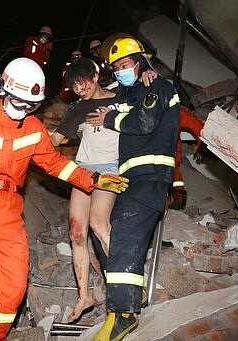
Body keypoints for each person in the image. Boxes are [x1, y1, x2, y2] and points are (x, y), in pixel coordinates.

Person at [0, 57, 129, 341]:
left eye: (31, 106)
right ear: (2, 90)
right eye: (19, 103)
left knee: (14, 282)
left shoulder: (32, 128)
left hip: (8, 208)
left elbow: (56, 163)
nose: (24, 112)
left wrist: (92, 180)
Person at [87, 36, 180, 340]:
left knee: (124, 234)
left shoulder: (157, 86)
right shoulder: (136, 89)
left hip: (150, 176)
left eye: (125, 65)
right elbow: (119, 99)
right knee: (104, 232)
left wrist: (111, 118)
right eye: (116, 68)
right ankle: (132, 292)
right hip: (132, 178)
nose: (120, 71)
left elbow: (144, 121)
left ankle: (123, 315)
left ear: (141, 61)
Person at [50, 57, 121, 323]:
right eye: (74, 86)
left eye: (83, 82)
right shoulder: (77, 109)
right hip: (83, 171)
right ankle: (85, 296)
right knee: (76, 232)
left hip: (110, 169)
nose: (80, 89)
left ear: (94, 75)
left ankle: (126, 285)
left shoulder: (121, 98)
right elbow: (55, 140)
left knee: (98, 223)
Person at [169, 106, 205, 210]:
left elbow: (199, 128)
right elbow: (198, 127)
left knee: (173, 177)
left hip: (168, 155)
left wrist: (201, 147)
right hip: (169, 155)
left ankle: (178, 202)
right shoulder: (176, 111)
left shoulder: (176, 111)